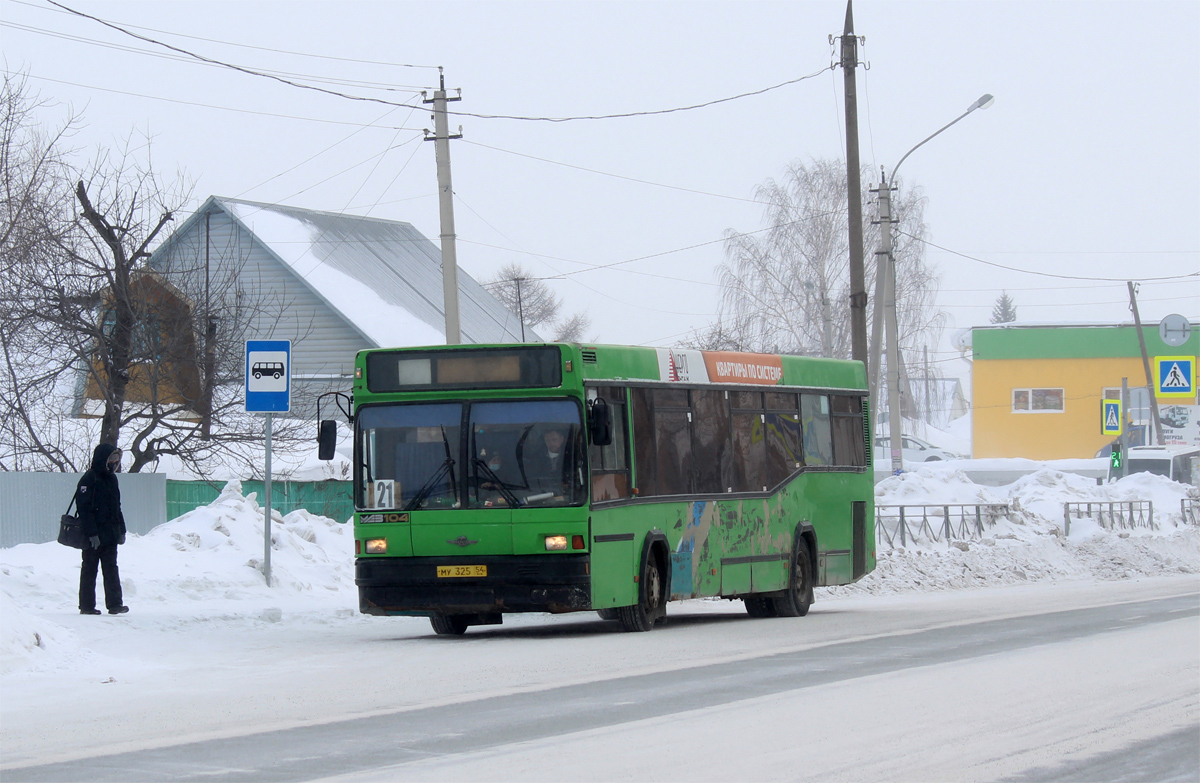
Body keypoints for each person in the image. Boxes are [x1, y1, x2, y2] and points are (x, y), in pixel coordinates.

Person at [75, 443, 128, 615]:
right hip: (94, 536)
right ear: (102, 459)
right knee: (90, 569)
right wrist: (92, 533)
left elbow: (117, 507)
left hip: (110, 535)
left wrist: (121, 530)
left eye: (116, 459)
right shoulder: (89, 479)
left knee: (111, 568)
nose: (114, 462)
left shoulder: (112, 479)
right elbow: (84, 508)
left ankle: (115, 604)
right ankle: (87, 606)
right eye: (111, 458)